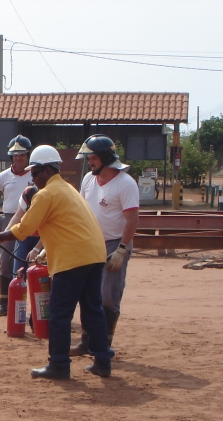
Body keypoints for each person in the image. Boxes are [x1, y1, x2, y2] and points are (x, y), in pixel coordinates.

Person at [0, 145, 114, 380]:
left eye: (35, 173)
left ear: (47, 170)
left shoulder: (47, 194)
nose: (33, 178)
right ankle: (102, 361)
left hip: (73, 259)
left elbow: (25, 229)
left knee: (59, 314)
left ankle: (58, 365)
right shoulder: (68, 189)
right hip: (94, 254)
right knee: (92, 310)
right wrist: (45, 250)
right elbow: (67, 225)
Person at [70, 135, 140, 355]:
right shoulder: (89, 180)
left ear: (105, 158)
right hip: (89, 243)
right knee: (87, 293)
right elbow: (80, 210)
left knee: (108, 294)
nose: (90, 161)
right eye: (89, 157)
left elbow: (132, 220)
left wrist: (122, 249)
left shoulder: (125, 183)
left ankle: (103, 346)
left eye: (93, 157)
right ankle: (85, 341)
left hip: (114, 244)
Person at [0, 135, 34, 316]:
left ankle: (39, 308)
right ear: (11, 157)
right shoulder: (5, 176)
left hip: (35, 219)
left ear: (28, 156)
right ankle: (4, 303)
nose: (19, 158)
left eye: (22, 155)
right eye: (15, 155)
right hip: (10, 218)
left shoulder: (35, 174)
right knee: (6, 261)